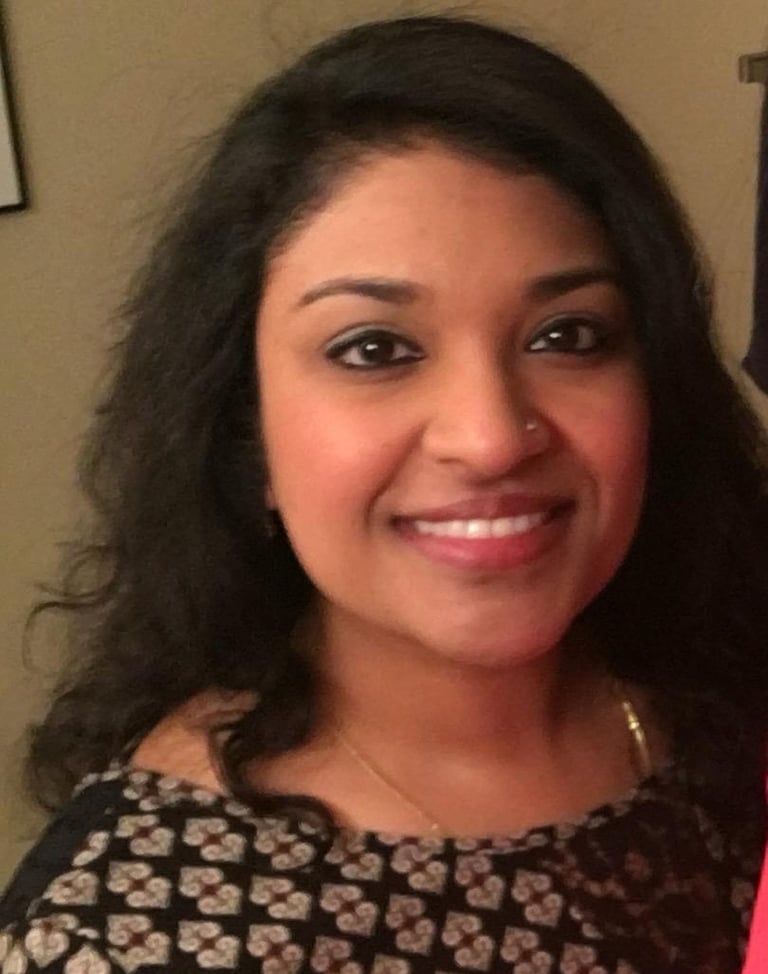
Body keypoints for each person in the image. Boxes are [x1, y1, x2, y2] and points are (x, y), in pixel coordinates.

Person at [2, 14, 768, 974]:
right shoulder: (125, 934)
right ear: (247, 433)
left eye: (567, 336)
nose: (491, 436)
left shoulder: (721, 701)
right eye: (375, 349)